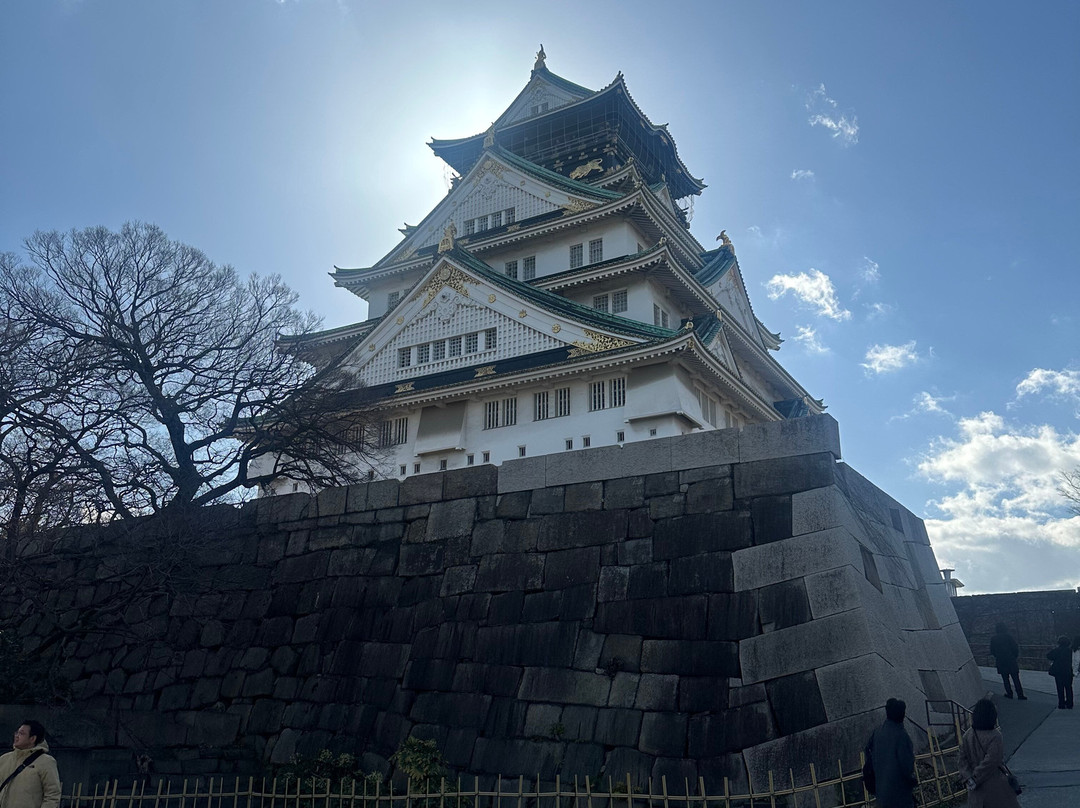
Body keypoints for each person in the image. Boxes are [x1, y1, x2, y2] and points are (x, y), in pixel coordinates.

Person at [959, 698, 1021, 808]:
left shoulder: (968, 735)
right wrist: (976, 777)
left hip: (976, 792)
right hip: (995, 787)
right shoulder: (995, 735)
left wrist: (969, 778)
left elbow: (962, 761)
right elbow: (993, 760)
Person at [865, 698, 917, 808]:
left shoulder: (877, 732)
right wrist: (912, 780)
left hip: (881, 793)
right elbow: (907, 767)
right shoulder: (902, 736)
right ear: (902, 715)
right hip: (900, 796)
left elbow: (868, 752)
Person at [0, 720, 61, 808]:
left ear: (32, 738)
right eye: (17, 732)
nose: (16, 736)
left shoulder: (46, 762)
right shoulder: (4, 759)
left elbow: (52, 795)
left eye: (21, 733)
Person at [989, 622, 1026, 699]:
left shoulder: (993, 639)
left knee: (1005, 679)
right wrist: (1014, 656)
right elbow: (1015, 648)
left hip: (1001, 661)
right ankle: (1020, 694)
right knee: (1016, 678)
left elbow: (992, 651)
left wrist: (998, 656)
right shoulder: (1009, 637)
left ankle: (1009, 693)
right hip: (1011, 660)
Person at [1047, 635, 1075, 709]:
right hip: (1068, 671)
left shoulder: (1057, 650)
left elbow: (1048, 656)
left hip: (1058, 672)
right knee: (1068, 688)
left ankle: (1061, 704)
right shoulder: (1070, 651)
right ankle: (1070, 703)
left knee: (1060, 688)